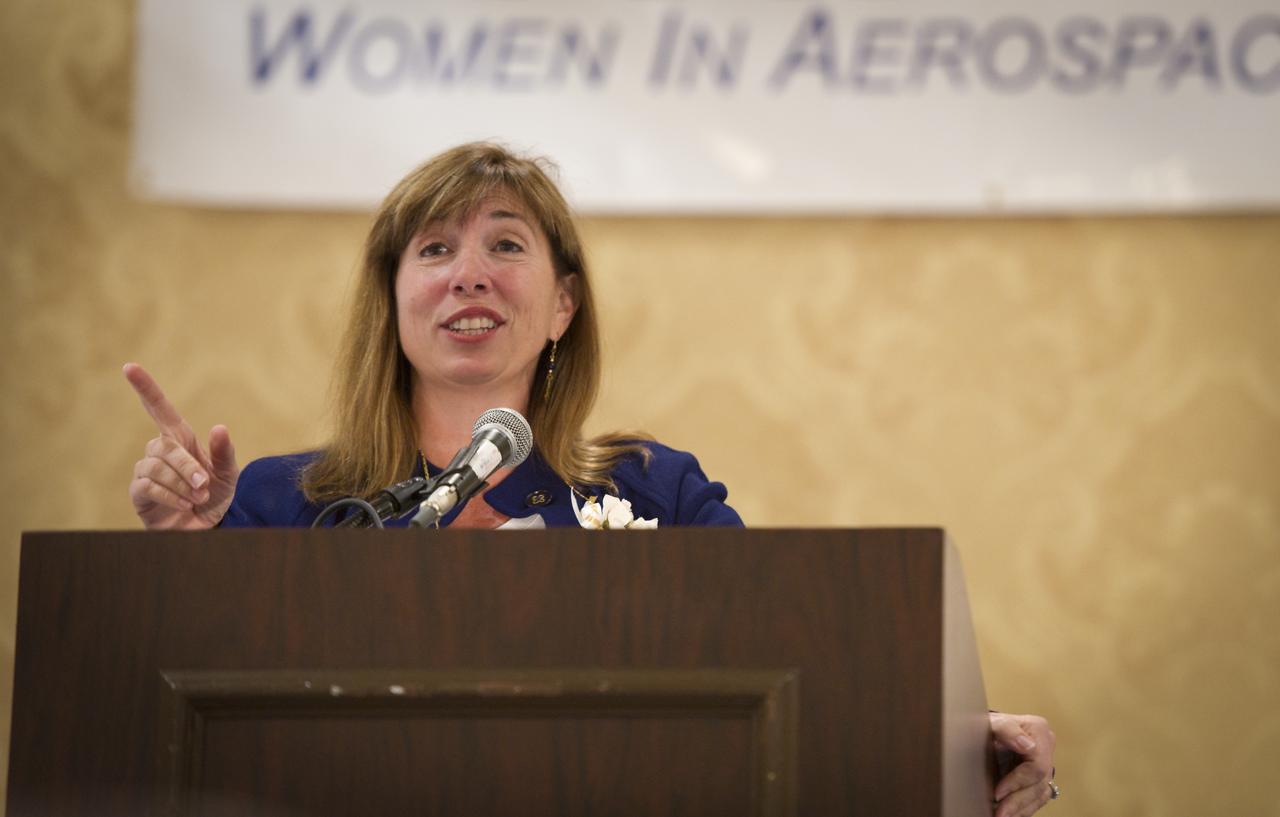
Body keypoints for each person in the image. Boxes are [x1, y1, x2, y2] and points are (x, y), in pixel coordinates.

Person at [123, 142, 1058, 814]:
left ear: (563, 303)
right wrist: (188, 558)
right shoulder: (284, 505)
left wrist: (962, 735)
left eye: (506, 244)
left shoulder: (658, 492)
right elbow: (185, 731)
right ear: (394, 300)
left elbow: (791, 673)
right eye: (435, 250)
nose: (469, 276)